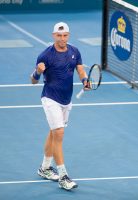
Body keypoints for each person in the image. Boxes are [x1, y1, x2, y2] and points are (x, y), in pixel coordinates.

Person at [30, 22, 90, 191]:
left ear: (68, 35)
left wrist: (85, 80)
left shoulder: (74, 51)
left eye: (65, 35)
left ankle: (45, 168)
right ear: (53, 35)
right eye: (59, 35)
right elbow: (33, 81)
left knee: (53, 132)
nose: (62, 38)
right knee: (59, 133)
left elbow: (80, 70)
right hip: (50, 98)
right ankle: (63, 176)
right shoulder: (45, 55)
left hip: (66, 99)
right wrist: (37, 72)